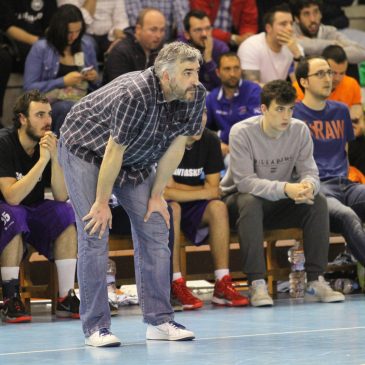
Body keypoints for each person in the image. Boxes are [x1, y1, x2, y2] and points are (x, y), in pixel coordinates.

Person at [58, 41, 206, 347]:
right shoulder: (135, 92)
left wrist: (157, 195)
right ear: (166, 76)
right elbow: (113, 151)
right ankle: (96, 327)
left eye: (197, 71)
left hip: (136, 159)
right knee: (95, 231)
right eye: (188, 72)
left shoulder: (195, 94)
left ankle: (159, 320)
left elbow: (178, 146)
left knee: (155, 225)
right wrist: (101, 203)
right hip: (86, 149)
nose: (195, 79)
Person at [221, 79, 345, 307]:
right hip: (237, 203)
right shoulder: (242, 132)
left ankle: (316, 279)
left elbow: (310, 172)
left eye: (290, 109)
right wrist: (286, 188)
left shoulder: (299, 130)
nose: (286, 117)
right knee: (250, 201)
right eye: (279, 109)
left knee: (317, 201)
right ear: (264, 109)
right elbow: (245, 182)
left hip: (279, 202)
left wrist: (308, 186)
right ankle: (257, 283)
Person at [0, 90, 79, 323]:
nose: (47, 121)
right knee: (14, 214)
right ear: (23, 118)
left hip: (33, 209)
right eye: (40, 115)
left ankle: (66, 296)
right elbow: (12, 197)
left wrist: (54, 158)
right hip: (6, 209)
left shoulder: (50, 144)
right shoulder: (4, 143)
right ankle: (11, 298)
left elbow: (61, 194)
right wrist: (42, 161)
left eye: (49, 115)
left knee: (66, 213)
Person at [164, 109, 249, 310]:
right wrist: (202, 192)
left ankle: (222, 282)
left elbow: (215, 191)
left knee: (218, 208)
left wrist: (181, 190)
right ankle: (175, 283)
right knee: (173, 208)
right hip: (167, 207)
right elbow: (165, 193)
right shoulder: (166, 140)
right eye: (192, 114)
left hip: (195, 207)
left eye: (202, 113)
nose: (199, 120)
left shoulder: (210, 139)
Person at [293, 56, 365, 266]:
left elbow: (345, 148)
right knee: (348, 216)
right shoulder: (294, 114)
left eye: (330, 73)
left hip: (345, 184)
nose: (328, 78)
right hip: (317, 187)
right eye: (320, 74)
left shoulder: (341, 110)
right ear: (304, 81)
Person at [23, 5, 99, 137]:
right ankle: (57, 152)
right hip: (50, 103)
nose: (74, 37)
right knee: (67, 108)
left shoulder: (87, 45)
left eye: (78, 31)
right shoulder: (41, 48)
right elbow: (29, 88)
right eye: (69, 32)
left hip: (81, 99)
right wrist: (62, 81)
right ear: (59, 30)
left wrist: (93, 78)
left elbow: (97, 86)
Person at [0, 0, 57, 126]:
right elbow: (8, 27)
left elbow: (51, 25)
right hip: (14, 45)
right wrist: (38, 43)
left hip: (43, 45)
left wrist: (46, 43)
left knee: (52, 53)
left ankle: (45, 112)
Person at [206, 52, 261, 163]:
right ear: (218, 72)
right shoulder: (212, 97)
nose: (232, 74)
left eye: (236, 68)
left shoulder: (253, 90)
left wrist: (220, 136)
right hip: (223, 149)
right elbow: (203, 129)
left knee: (231, 161)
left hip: (251, 148)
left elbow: (253, 125)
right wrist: (217, 143)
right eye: (227, 69)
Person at [293, 45, 364, 127]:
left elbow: (358, 115)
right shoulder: (300, 88)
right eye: (332, 72)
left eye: (342, 73)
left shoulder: (352, 84)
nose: (337, 78)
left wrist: (360, 127)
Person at [238, 4, 303, 85]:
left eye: (291, 24)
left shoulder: (295, 48)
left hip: (279, 94)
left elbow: (301, 86)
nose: (290, 29)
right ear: (268, 28)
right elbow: (252, 88)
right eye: (283, 24)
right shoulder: (250, 46)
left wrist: (297, 55)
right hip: (255, 97)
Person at [290, 0, 365, 66]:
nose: (312, 19)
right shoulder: (289, 30)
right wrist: (334, 44)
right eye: (306, 14)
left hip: (329, 79)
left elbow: (361, 52)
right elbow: (304, 45)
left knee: (347, 64)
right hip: (300, 80)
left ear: (321, 14)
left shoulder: (329, 31)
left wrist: (324, 51)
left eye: (316, 12)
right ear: (297, 18)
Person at [103, 8, 165, 84]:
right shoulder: (121, 52)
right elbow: (120, 91)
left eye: (162, 30)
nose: (158, 35)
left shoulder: (159, 48)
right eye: (153, 30)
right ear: (138, 29)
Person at [57, 0, 129, 61]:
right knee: (86, 44)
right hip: (82, 33)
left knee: (123, 46)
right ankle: (85, 74)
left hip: (109, 34)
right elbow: (76, 21)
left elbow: (121, 19)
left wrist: (119, 36)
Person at [181, 10, 229, 91]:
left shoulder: (221, 48)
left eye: (208, 28)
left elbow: (226, 84)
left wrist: (209, 60)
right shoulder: (179, 50)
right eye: (198, 30)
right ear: (187, 35)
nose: (204, 34)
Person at [190, 0, 258, 47]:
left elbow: (249, 23)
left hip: (234, 41)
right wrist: (232, 38)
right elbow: (200, 26)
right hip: (204, 40)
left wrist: (247, 36)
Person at [124, 0, 188, 41]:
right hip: (140, 41)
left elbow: (181, 15)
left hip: (167, 40)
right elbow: (136, 19)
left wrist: (182, 36)